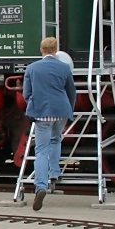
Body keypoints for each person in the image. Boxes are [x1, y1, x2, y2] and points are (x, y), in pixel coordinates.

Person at [22, 36, 76, 211]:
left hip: (42, 112)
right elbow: (71, 92)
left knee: (41, 150)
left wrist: (33, 104)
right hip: (61, 111)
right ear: (55, 50)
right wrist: (70, 111)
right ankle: (54, 172)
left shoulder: (32, 68)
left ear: (41, 50)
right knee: (56, 140)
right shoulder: (64, 68)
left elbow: (26, 94)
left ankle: (41, 186)